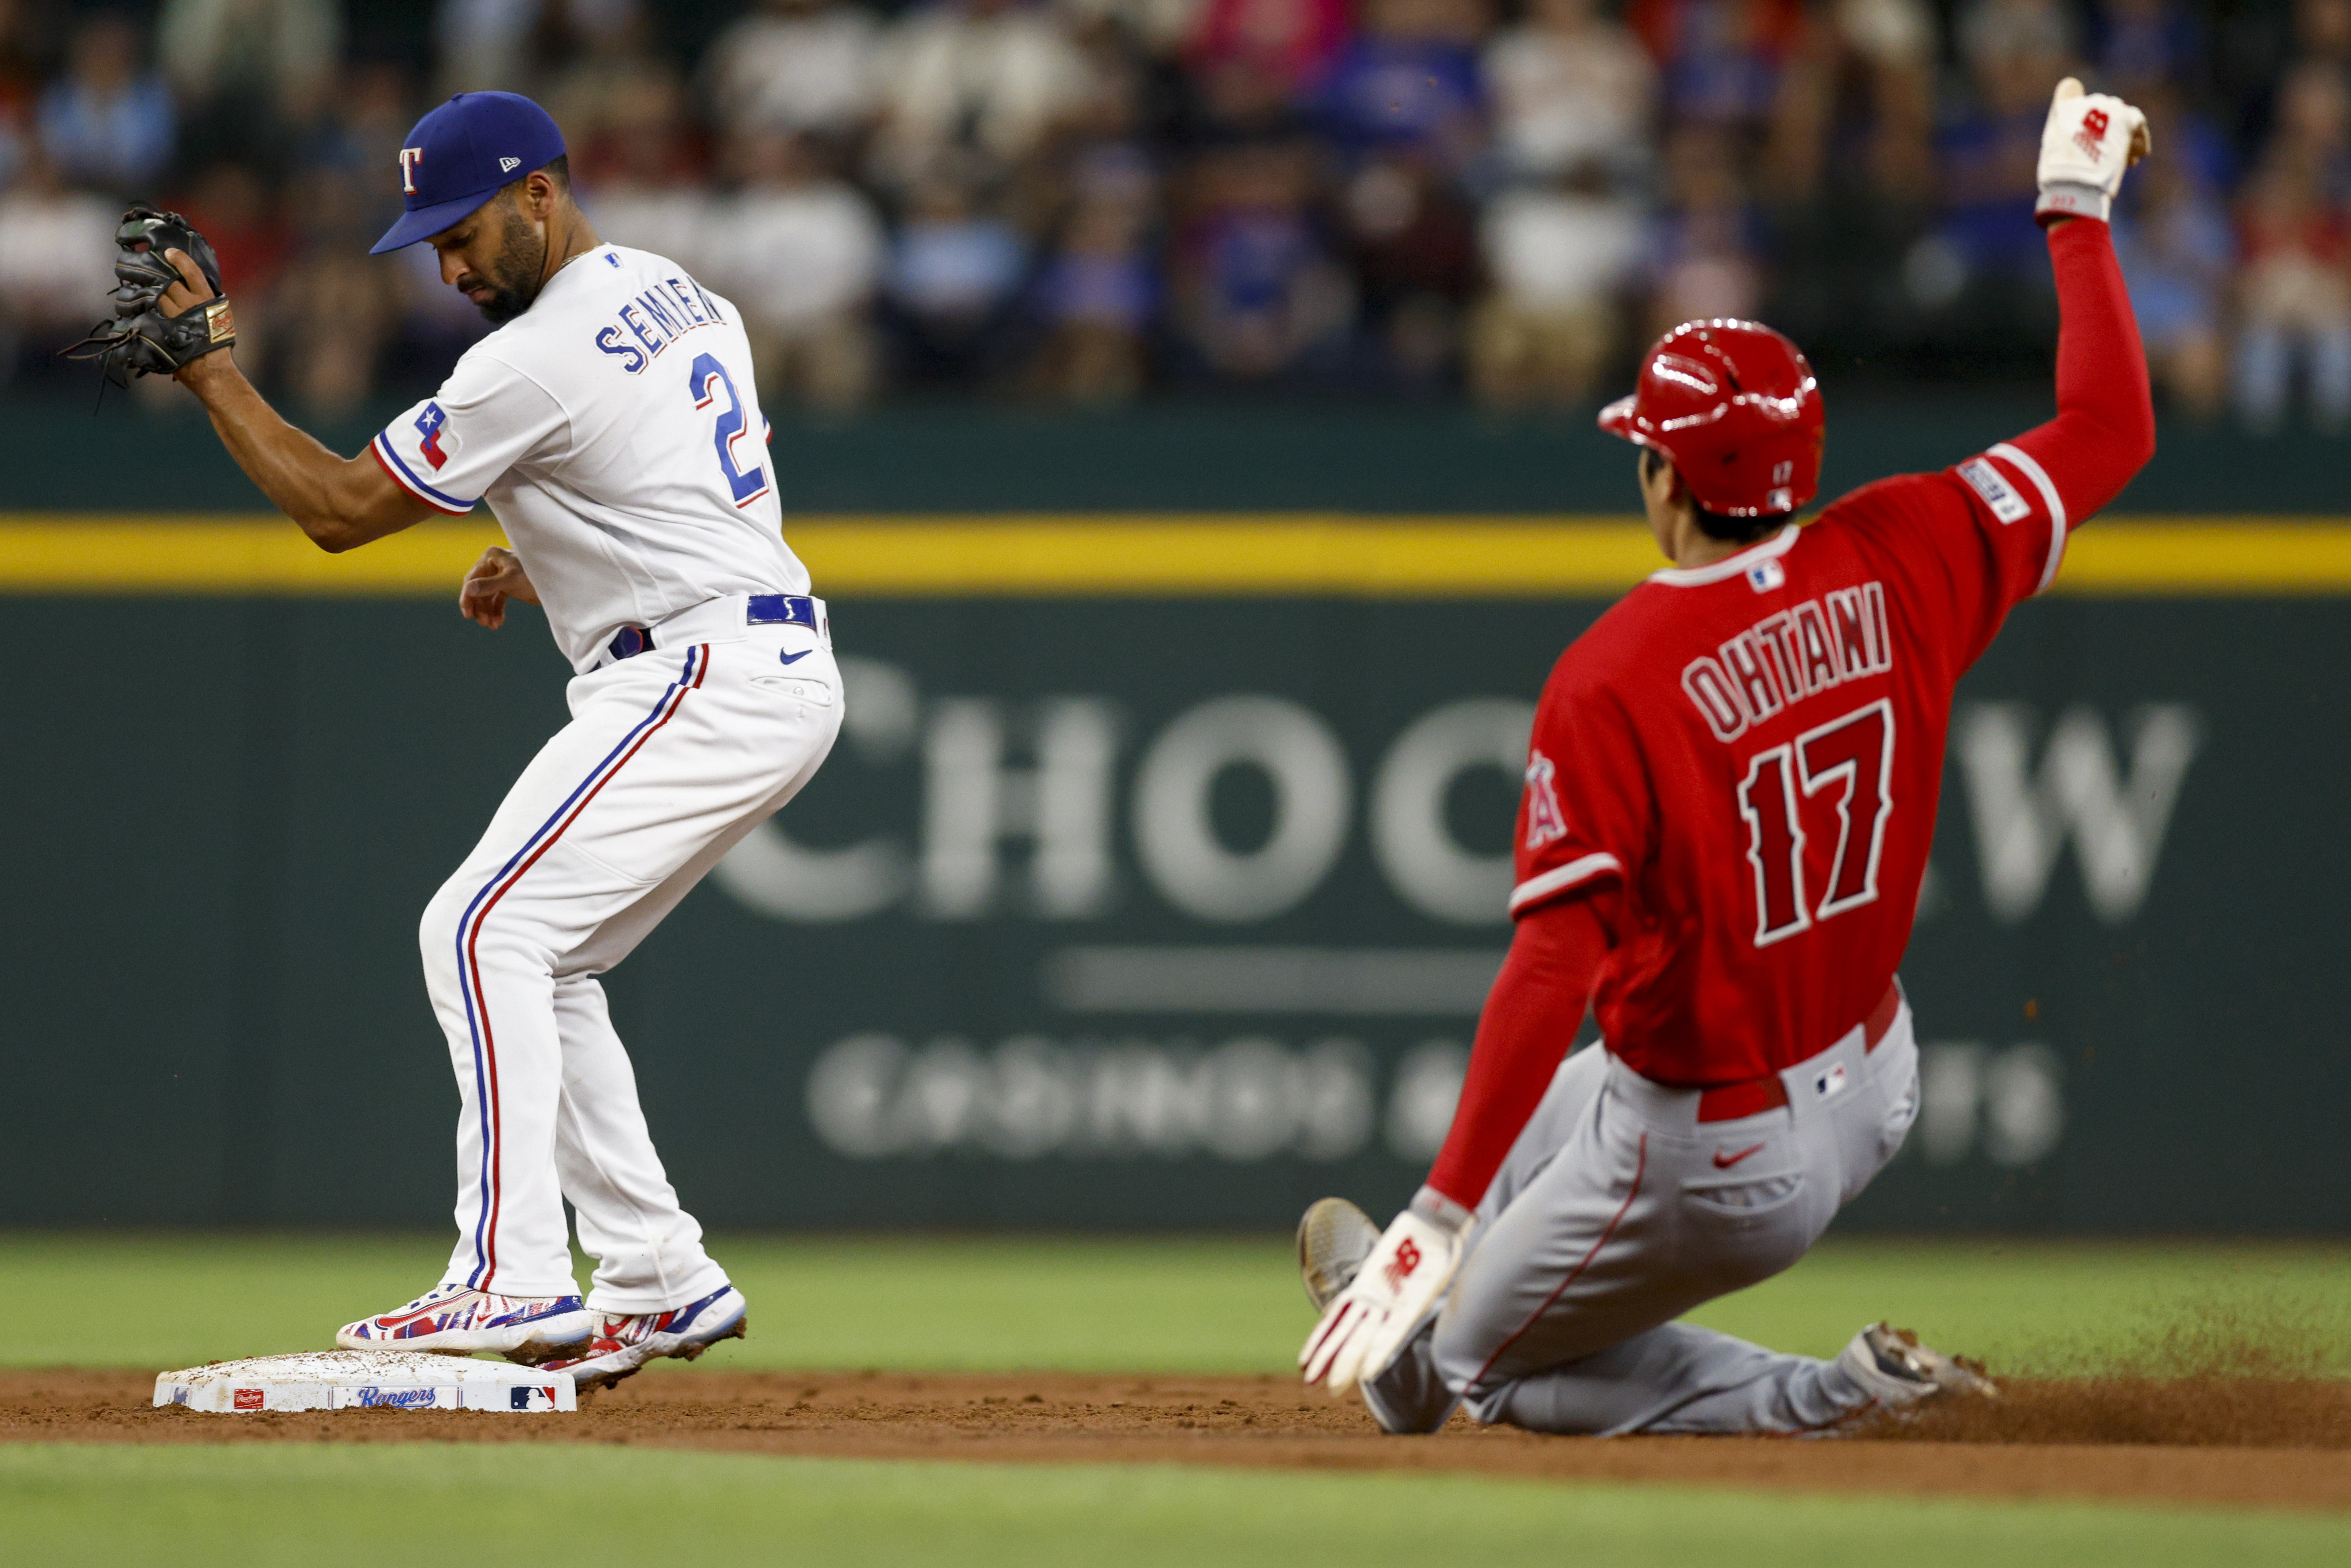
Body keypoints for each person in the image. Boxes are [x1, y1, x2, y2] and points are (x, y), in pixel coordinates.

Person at [1295, 79, 2154, 1436]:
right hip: (1871, 1078)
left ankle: (1833, 1399)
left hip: (1711, 1152)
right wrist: (2074, 211)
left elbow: (1549, 964)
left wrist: (1436, 1219)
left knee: (1479, 1364)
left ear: (1663, 480)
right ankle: (1407, 1341)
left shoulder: (1613, 674)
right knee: (1557, 1111)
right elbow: (2112, 427)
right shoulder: (1911, 540)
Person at [136, 91, 843, 1391]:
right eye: (430, 245)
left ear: (540, 193)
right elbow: (689, 462)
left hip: (701, 670)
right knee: (544, 958)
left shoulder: (530, 357)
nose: (450, 267)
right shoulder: (677, 289)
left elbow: (342, 510)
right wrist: (552, 548)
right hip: (751, 649)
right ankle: (656, 1274)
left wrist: (210, 371)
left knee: (479, 929)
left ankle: (508, 1279)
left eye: (462, 233)